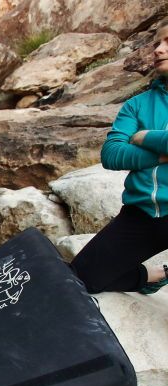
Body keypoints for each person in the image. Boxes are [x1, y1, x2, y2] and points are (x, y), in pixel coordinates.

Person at [71, 21, 168, 295]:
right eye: (158, 43)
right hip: (142, 215)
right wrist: (161, 156)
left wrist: (144, 136)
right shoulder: (137, 104)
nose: (159, 50)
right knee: (79, 279)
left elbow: (130, 147)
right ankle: (154, 276)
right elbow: (111, 155)